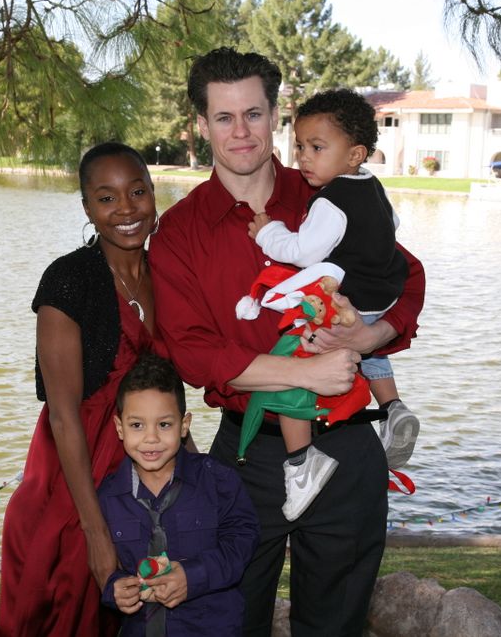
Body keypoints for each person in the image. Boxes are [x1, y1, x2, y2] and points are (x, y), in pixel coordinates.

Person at [149, 47, 425, 636]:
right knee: (232, 620)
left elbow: (408, 277)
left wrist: (367, 333)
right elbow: (193, 352)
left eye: (253, 113)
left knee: (334, 625)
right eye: (224, 118)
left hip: (347, 449)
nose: (241, 131)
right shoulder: (179, 233)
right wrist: (302, 374)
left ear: (275, 114)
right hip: (247, 457)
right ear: (202, 124)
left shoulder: (327, 194)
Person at [0, 142, 164, 636]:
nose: (126, 209)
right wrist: (95, 532)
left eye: (137, 191)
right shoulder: (68, 280)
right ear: (87, 207)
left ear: (154, 194)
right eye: (106, 198)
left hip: (141, 473)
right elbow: (64, 414)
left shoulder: (166, 274)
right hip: (73, 485)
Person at [247, 88, 421, 518]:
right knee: (366, 347)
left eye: (318, 148)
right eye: (301, 147)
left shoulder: (331, 199)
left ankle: (302, 462)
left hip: (351, 299)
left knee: (293, 361)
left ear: (354, 154)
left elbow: (304, 251)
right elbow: (392, 229)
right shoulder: (373, 187)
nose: (305, 157)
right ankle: (394, 408)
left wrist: (267, 231)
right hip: (382, 296)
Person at [97, 352, 260, 636]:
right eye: (137, 425)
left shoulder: (219, 481)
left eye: (164, 424)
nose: (151, 437)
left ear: (184, 425)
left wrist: (192, 576)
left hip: (211, 627)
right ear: (119, 428)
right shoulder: (108, 497)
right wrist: (116, 590)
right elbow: (111, 567)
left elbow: (242, 544)